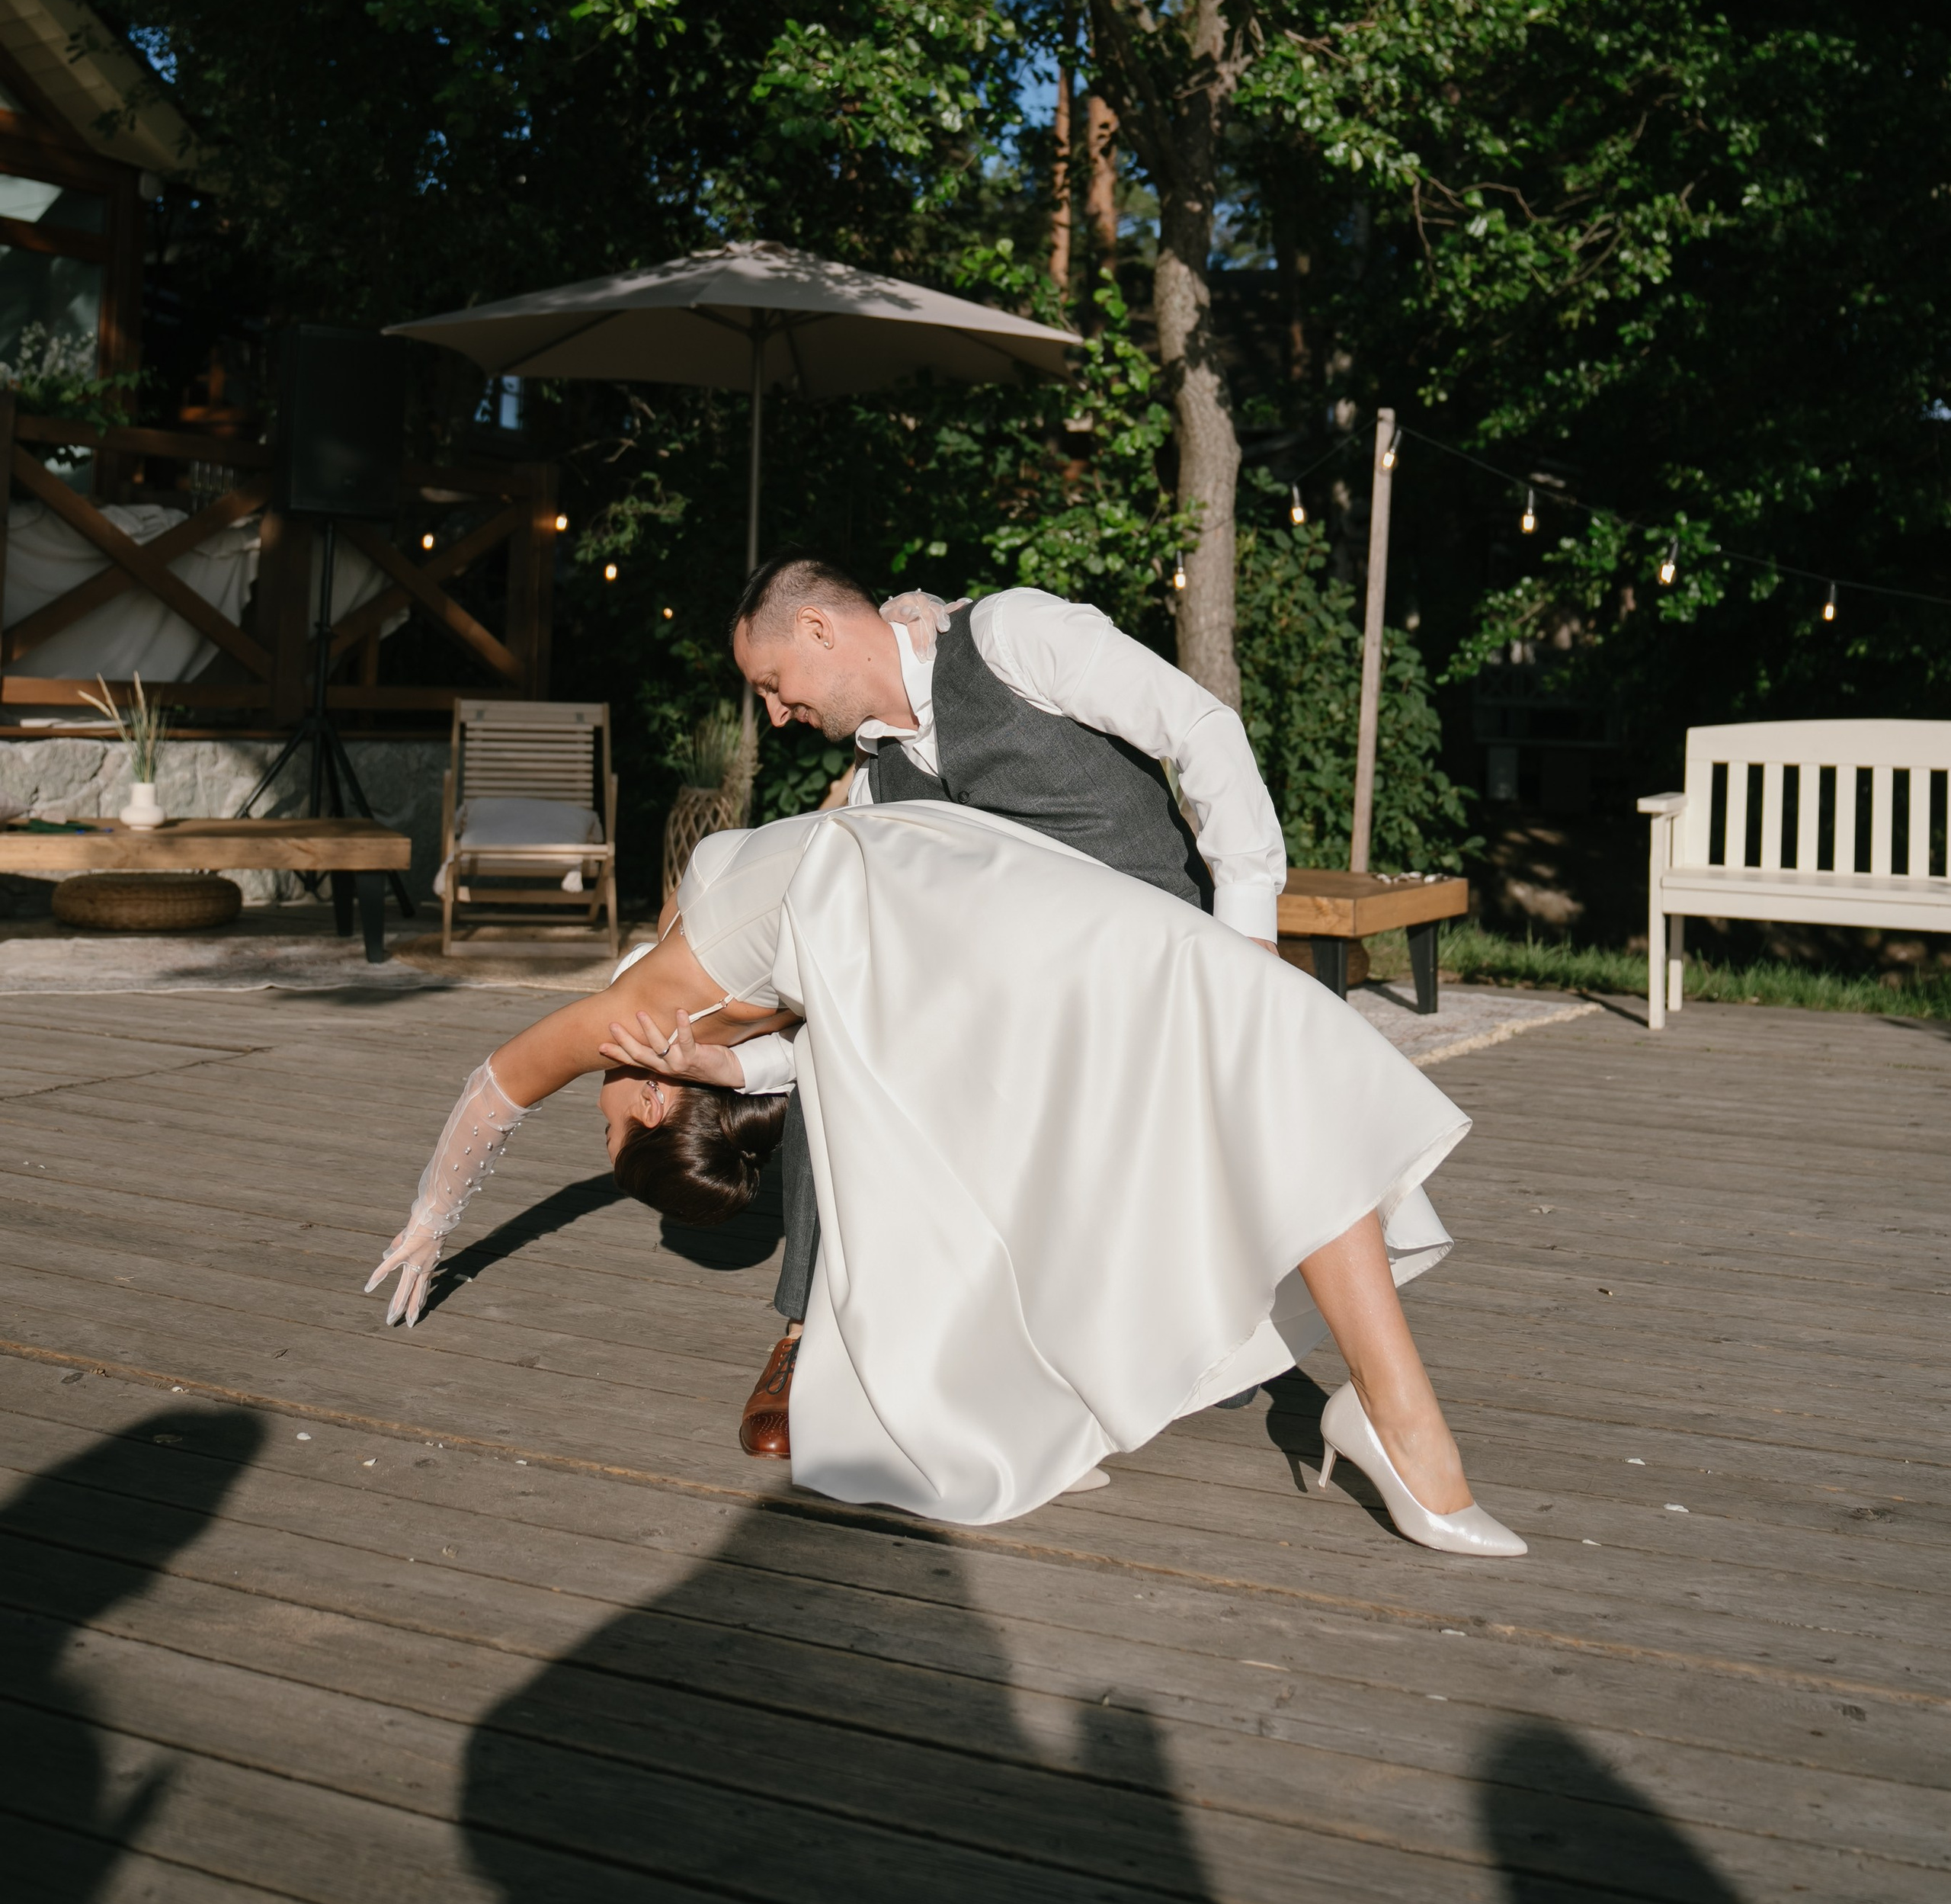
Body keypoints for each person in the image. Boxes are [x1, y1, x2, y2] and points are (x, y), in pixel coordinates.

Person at [365, 723, 1524, 1557]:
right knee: (1262, 1043)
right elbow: (498, 1088)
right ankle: (1400, 1427)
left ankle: (1389, 1419)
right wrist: (429, 1217)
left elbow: (790, 931)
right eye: (611, 1114)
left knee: (1262, 1047)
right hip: (966, 915)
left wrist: (436, 1224)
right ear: (661, 1098)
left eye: (606, 1112)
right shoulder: (645, 1021)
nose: (602, 1093)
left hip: (964, 885)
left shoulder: (691, 1017)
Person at [726, 554, 1296, 1464]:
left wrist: (1248, 935)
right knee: (846, 1030)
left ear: (820, 632)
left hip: (1158, 968)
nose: (776, 712)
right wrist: (741, 1057)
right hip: (1030, 1011)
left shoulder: (1008, 635)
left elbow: (1200, 725)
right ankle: (810, 1332)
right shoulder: (880, 782)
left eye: (772, 684)